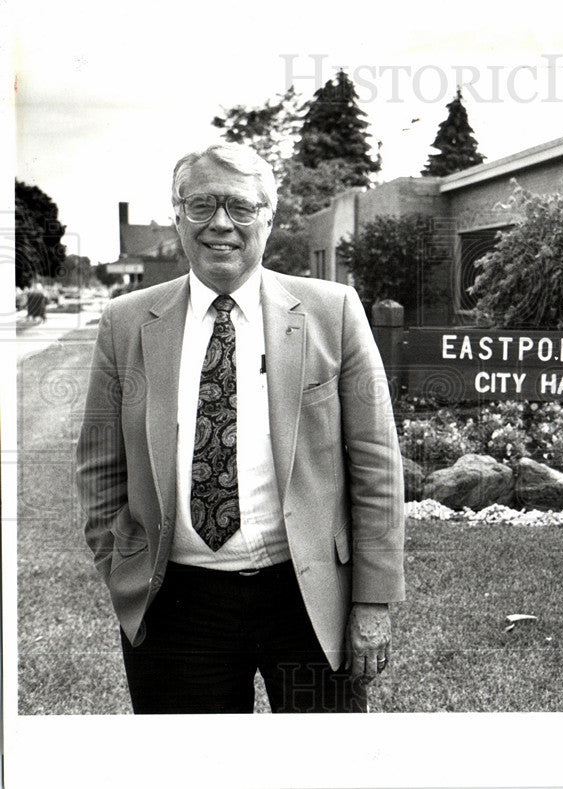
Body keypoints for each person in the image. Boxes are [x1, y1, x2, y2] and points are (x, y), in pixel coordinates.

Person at [75, 143, 405, 713]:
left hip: (308, 597)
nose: (220, 224)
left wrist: (373, 601)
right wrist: (122, 567)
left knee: (323, 771)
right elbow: (100, 466)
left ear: (268, 218)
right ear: (177, 215)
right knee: (191, 772)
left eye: (241, 207)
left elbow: (376, 465)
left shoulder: (334, 311)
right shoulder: (126, 323)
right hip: (176, 604)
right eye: (201, 205)